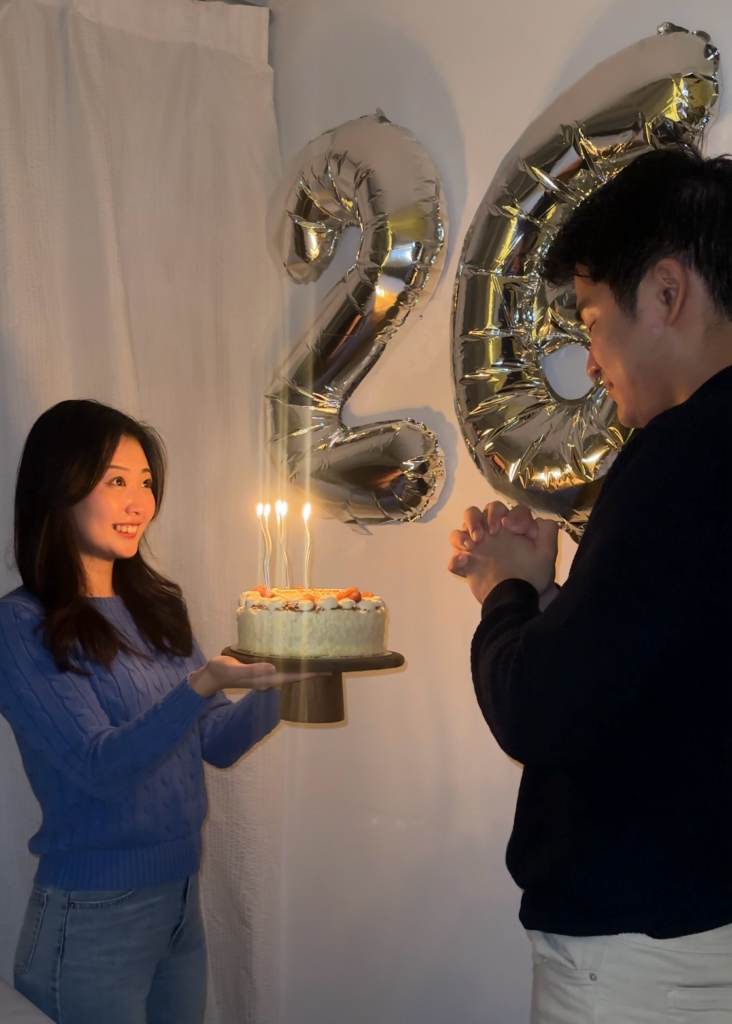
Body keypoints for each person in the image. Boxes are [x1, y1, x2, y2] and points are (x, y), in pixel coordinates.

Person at [447, 147, 732, 1023]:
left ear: (667, 293)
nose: (593, 362)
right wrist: (551, 599)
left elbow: (542, 710)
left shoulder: (681, 457)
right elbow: (672, 662)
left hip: (647, 957)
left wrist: (504, 593)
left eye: (593, 320)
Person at [0, 399, 309, 1024]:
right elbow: (100, 768)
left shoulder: (157, 607)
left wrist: (287, 682)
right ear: (59, 486)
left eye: (145, 483)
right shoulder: (22, 624)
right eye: (116, 481)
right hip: (91, 917)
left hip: (180, 903)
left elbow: (216, 741)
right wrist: (200, 684)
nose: (140, 503)